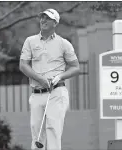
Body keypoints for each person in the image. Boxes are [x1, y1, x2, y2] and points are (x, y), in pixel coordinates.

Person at [19, 8, 80, 150]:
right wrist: (40, 79)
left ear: (55, 22)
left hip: (56, 92)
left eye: (47, 18)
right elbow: (23, 65)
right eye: (42, 18)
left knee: (53, 129)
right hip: (36, 93)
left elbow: (75, 67)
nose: (43, 20)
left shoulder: (64, 43)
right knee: (37, 133)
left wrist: (60, 76)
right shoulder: (30, 41)